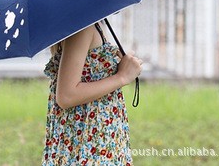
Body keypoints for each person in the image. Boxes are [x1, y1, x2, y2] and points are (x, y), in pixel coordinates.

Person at [41, 21, 143, 165]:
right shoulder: (83, 27)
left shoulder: (93, 24)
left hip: (99, 133)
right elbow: (66, 95)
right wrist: (122, 77)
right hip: (88, 138)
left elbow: (89, 71)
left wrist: (118, 64)